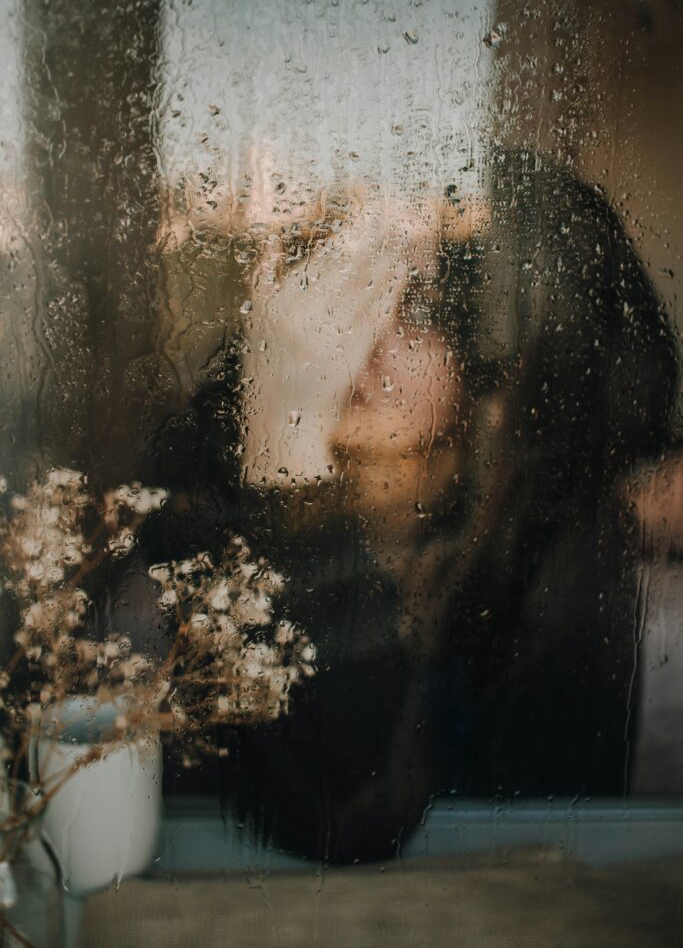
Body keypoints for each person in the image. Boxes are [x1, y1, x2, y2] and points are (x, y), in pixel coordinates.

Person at [120, 146, 677, 863]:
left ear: (509, 383)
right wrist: (279, 432)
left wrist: (285, 446)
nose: (355, 336)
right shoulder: (190, 526)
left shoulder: (561, 574)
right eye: (345, 288)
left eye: (416, 307)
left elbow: (356, 812)